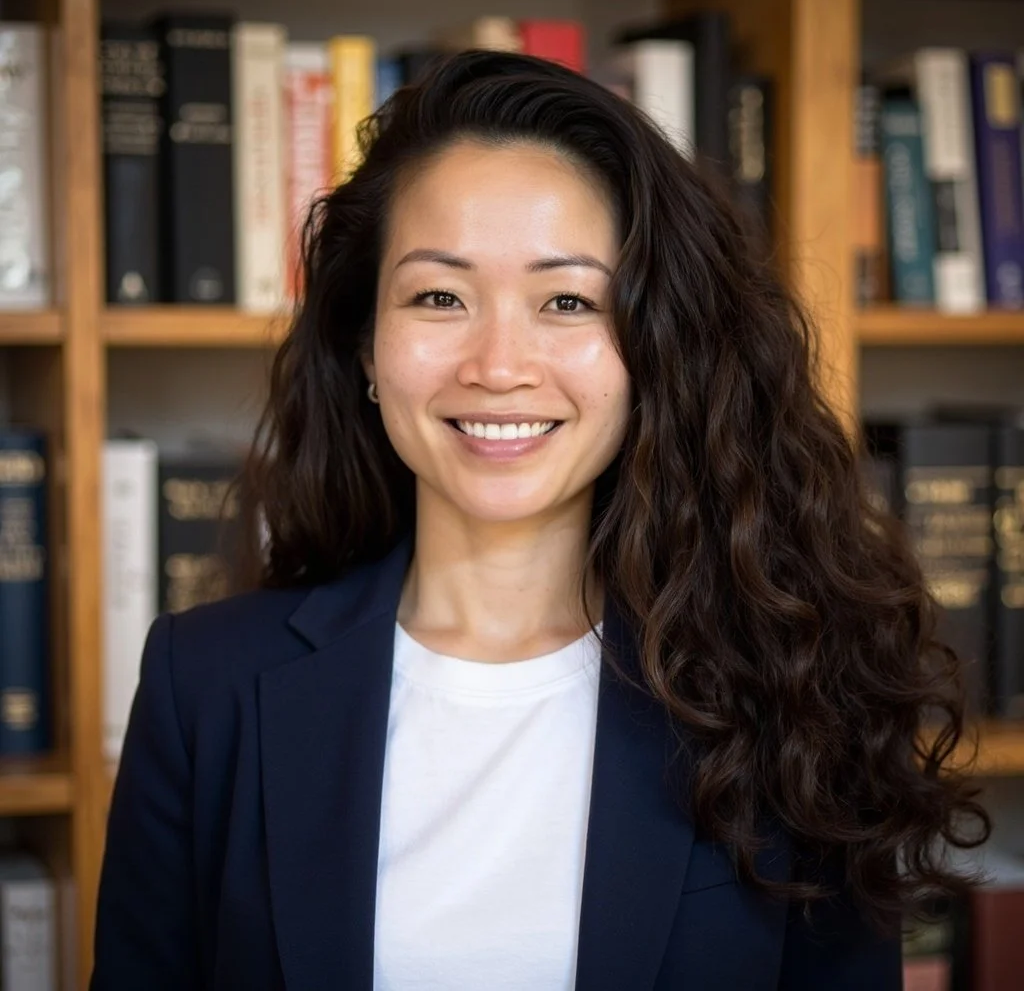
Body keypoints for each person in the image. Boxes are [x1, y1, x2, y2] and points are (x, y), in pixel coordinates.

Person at [90, 50, 991, 990]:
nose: (499, 364)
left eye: (567, 300)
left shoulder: (792, 692)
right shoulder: (207, 686)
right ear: (365, 344)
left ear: (655, 347)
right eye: (439, 296)